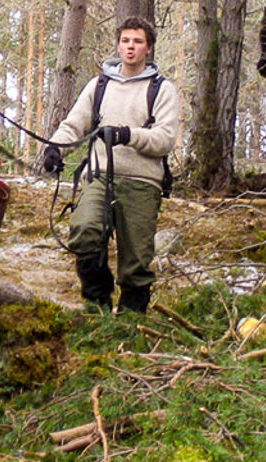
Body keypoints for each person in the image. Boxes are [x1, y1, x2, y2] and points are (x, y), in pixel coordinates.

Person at [41, 17, 180, 314]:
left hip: (143, 182)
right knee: (84, 231)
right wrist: (55, 149)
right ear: (118, 45)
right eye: (126, 41)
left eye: (138, 41)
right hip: (99, 175)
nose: (131, 47)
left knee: (136, 261)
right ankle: (97, 307)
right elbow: (74, 124)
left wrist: (128, 135)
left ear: (149, 48)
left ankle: (131, 321)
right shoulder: (99, 85)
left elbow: (165, 139)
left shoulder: (162, 90)